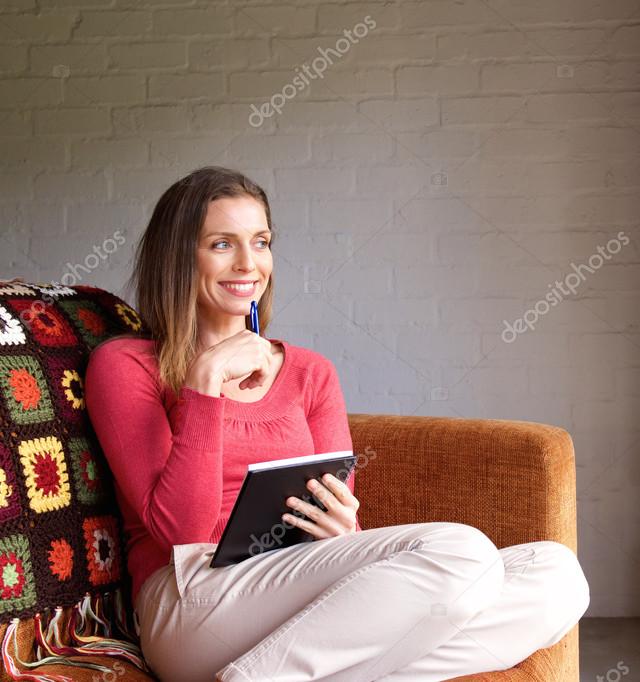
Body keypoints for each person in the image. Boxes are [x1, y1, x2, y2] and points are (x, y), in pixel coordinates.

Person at [84, 166, 590, 682]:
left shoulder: (310, 372)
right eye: (221, 244)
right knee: (462, 554)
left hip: (303, 592)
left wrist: (340, 528)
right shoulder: (127, 365)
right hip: (192, 596)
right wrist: (205, 381)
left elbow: (347, 524)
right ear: (177, 258)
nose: (249, 263)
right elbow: (180, 532)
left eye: (261, 242)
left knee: (556, 575)